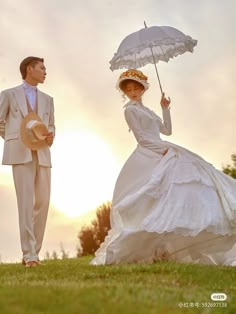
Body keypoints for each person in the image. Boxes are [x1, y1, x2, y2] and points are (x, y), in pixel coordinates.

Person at [91, 69, 236, 266]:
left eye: (136, 88)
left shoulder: (147, 111)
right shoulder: (130, 110)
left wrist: (165, 108)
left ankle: (166, 249)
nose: (133, 92)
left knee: (175, 193)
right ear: (125, 92)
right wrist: (163, 151)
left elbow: (167, 130)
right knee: (152, 199)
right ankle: (147, 247)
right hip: (149, 153)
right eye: (129, 89)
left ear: (143, 89)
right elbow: (142, 138)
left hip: (163, 148)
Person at [0, 56, 55, 267]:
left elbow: (52, 125)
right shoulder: (8, 95)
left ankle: (34, 253)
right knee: (25, 204)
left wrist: (50, 135)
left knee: (43, 201)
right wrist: (16, 136)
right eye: (42, 67)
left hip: (42, 153)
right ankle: (30, 255)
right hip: (20, 153)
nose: (45, 71)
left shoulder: (49, 100)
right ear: (29, 69)